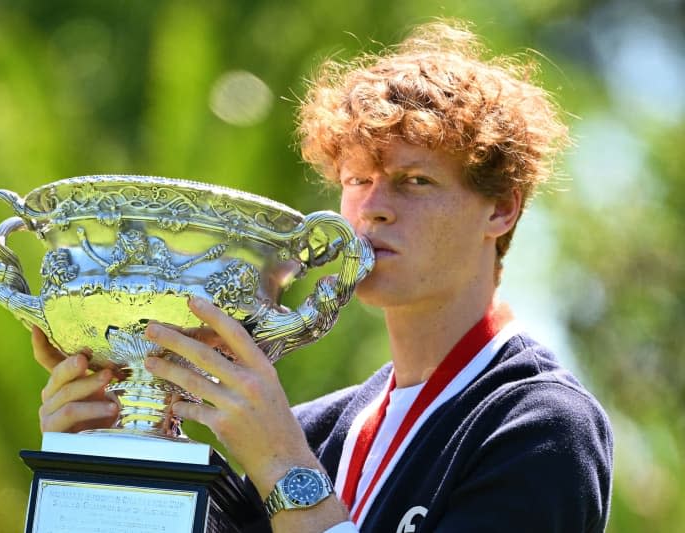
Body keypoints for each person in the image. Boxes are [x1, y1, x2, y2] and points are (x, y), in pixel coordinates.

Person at [33, 19, 613, 532]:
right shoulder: (318, 429)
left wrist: (287, 474)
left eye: (416, 181)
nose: (374, 208)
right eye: (358, 180)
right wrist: (113, 450)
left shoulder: (542, 427)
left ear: (501, 209)